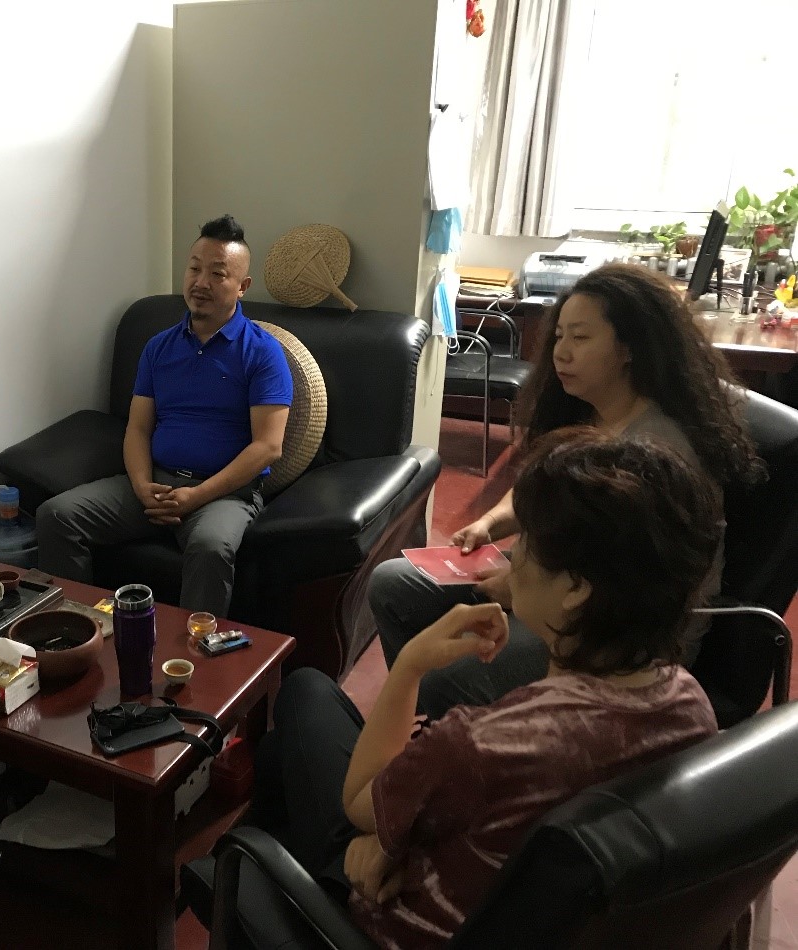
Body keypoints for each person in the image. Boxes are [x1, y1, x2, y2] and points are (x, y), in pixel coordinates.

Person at [249, 431, 722, 946]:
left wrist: (409, 666)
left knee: (306, 692)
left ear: (576, 588)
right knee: (281, 753)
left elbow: (360, 805)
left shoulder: (483, 743)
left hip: (399, 927)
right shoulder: (692, 706)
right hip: (521, 910)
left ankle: (267, 881)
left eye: (527, 544)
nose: (512, 559)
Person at [369, 262, 763, 719]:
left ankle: (474, 736)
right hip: (556, 586)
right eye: (559, 336)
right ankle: (439, 723)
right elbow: (542, 489)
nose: (561, 352)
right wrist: (491, 523)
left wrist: (516, 588)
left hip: (617, 636)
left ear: (629, 348)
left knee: (450, 678)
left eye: (580, 337)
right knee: (394, 584)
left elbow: (623, 587)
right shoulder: (595, 414)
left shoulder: (654, 454)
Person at [37, 215, 292, 617]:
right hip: (156, 482)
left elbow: (268, 447)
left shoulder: (263, 352)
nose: (201, 282)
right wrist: (142, 486)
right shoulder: (158, 347)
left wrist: (195, 497)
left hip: (221, 494)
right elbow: (138, 428)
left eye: (217, 274)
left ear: (242, 286)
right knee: (57, 516)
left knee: (210, 547)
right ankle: (77, 629)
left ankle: (196, 653)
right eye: (194, 269)